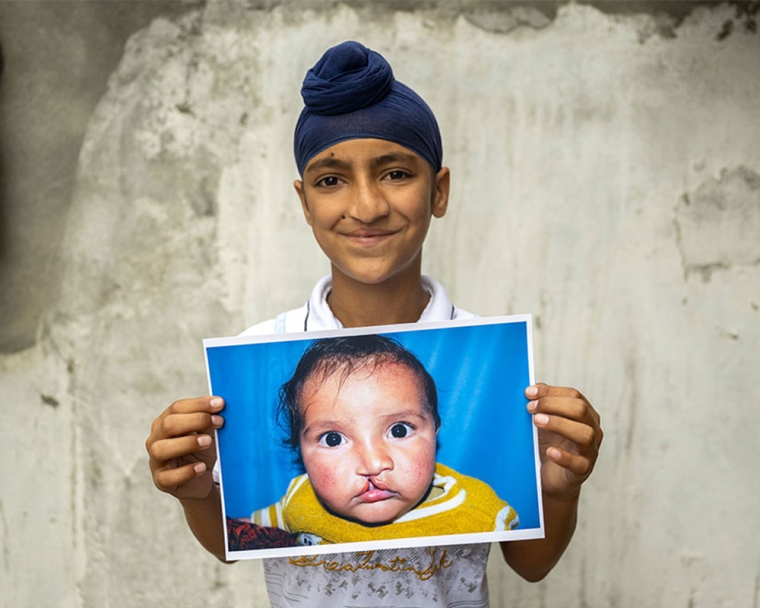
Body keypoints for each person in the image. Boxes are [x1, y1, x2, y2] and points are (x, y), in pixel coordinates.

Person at [146, 40, 603, 606]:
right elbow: (242, 540)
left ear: (438, 191)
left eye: (394, 173)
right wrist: (196, 495)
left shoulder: (499, 369)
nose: (366, 206)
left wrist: (560, 492)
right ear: (305, 202)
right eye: (331, 180)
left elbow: (530, 565)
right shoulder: (258, 352)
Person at [248, 334, 518, 546]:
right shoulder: (298, 501)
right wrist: (205, 496)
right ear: (300, 450)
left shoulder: (475, 510)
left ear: (435, 430)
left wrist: (556, 495)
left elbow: (531, 567)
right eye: (333, 439)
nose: (374, 463)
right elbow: (231, 542)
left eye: (399, 431)